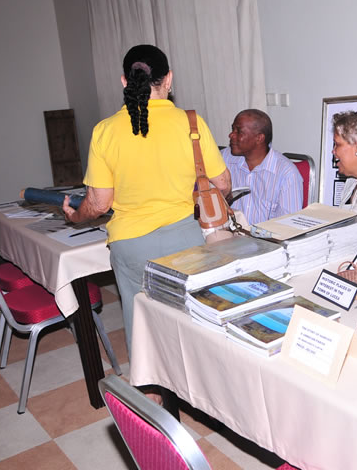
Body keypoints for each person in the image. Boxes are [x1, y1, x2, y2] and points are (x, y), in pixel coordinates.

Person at [63, 44, 231, 357]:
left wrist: (74, 215)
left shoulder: (105, 131)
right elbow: (222, 184)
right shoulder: (192, 123)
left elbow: (99, 204)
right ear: (169, 79)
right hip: (188, 240)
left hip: (132, 246)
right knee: (196, 328)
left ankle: (152, 398)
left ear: (125, 81)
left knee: (143, 331)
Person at [222, 109, 303, 225]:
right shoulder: (224, 158)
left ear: (259, 138)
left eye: (239, 131)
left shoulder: (287, 174)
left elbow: (288, 227)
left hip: (265, 241)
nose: (231, 135)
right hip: (227, 237)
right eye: (232, 129)